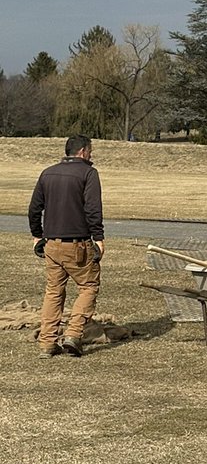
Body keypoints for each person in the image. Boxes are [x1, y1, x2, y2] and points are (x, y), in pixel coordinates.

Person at [28, 135, 105, 359]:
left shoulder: (48, 173)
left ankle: (47, 342)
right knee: (89, 286)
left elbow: (34, 209)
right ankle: (73, 334)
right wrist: (98, 237)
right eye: (90, 151)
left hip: (51, 244)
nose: (91, 155)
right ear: (82, 151)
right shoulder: (89, 173)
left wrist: (37, 235)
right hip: (78, 244)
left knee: (53, 292)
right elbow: (92, 209)